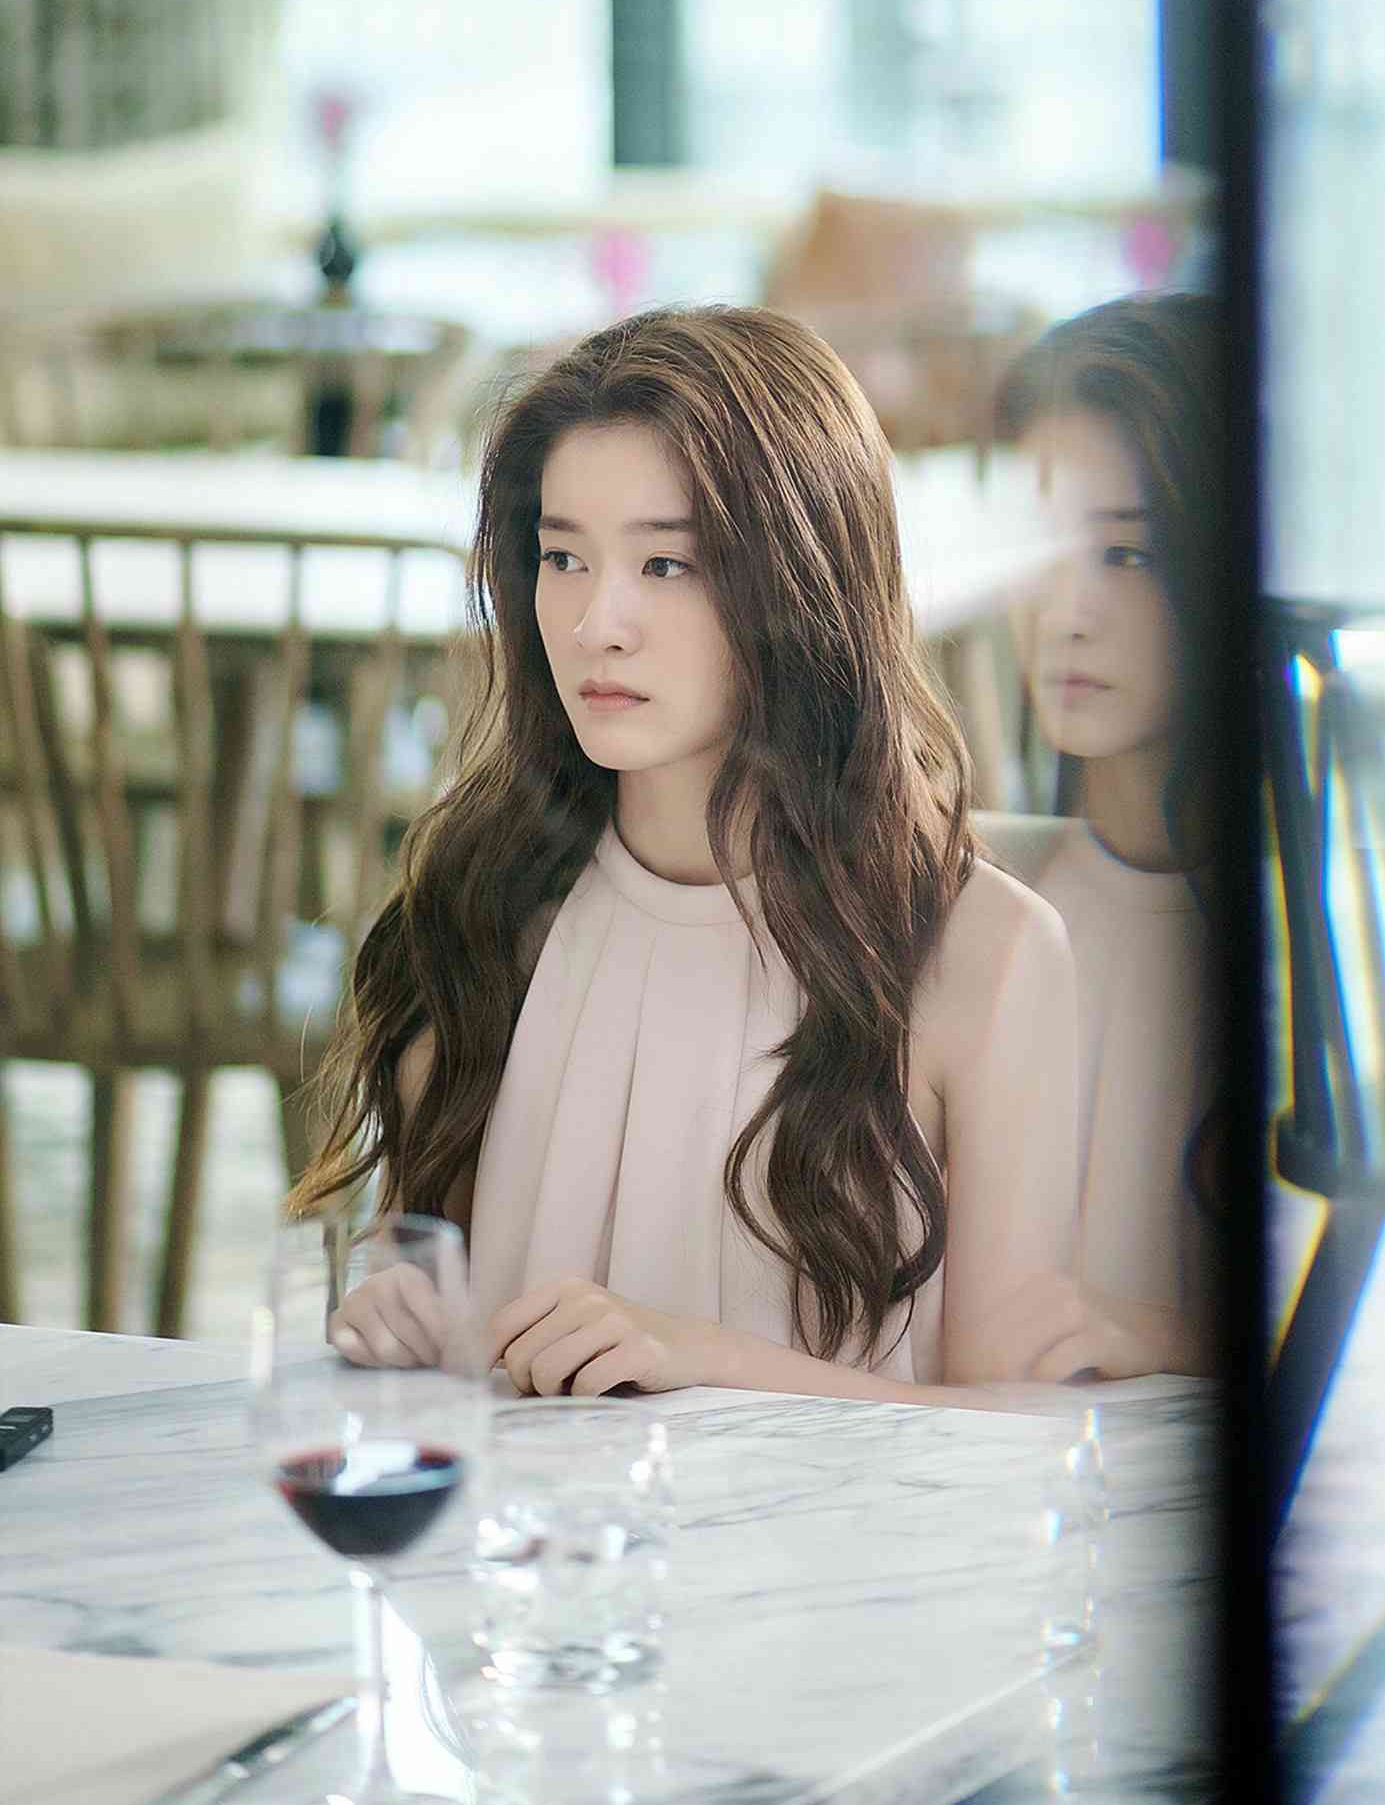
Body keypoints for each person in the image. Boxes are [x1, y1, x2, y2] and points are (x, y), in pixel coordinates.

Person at [297, 303, 1079, 1401]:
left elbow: (1013, 1439)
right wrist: (397, 1309)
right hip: (531, 1516)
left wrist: (702, 1362)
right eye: (562, 556)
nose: (595, 623)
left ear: (803, 585)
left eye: (665, 564)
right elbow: (421, 1272)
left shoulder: (987, 957)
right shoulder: (485, 904)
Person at [976, 291, 1224, 1386]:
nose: (1065, 612)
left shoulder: (1315, 933)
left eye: (1127, 554)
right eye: (1041, 549)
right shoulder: (982, 901)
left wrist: (1159, 1336)